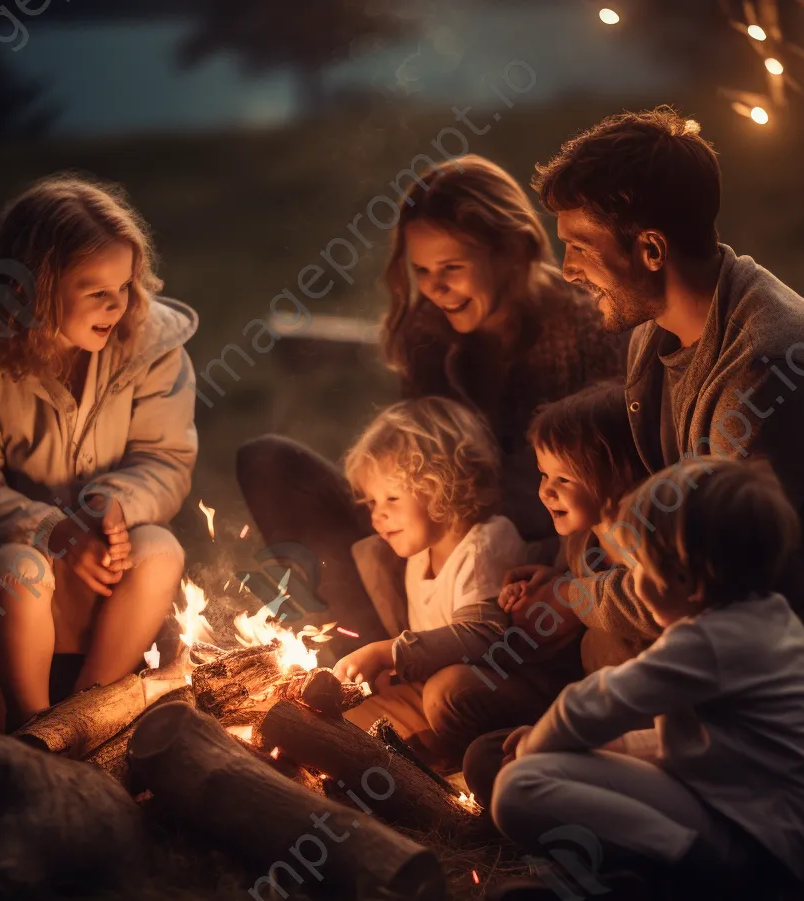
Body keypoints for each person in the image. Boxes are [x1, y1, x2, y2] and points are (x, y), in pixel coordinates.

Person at [529, 105, 804, 738]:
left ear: (650, 249)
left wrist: (574, 598)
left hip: (791, 685)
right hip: (698, 627)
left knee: (508, 761)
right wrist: (571, 572)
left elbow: (707, 576)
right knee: (522, 703)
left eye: (580, 248)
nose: (566, 269)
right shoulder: (654, 332)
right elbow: (661, 520)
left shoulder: (771, 366)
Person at [237, 154, 626, 657]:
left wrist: (556, 572)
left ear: (508, 254)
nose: (435, 288)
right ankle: (366, 651)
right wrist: (392, 500)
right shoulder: (428, 333)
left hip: (532, 559)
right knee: (268, 461)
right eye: (421, 271)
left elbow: (611, 478)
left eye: (452, 269)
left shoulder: (585, 328)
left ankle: (412, 654)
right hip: (431, 541)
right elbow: (415, 458)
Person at [491, 458, 804, 901]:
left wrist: (536, 745)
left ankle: (685, 877)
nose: (630, 581)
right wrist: (609, 747)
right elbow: (702, 746)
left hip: (777, 854)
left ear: (687, 581)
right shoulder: (764, 620)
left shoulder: (708, 641)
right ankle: (641, 880)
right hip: (788, 834)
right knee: (547, 773)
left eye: (638, 568)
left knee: (518, 788)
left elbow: (597, 703)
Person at [0, 174, 197, 729]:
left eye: (125, 286)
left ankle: (84, 721)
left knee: (161, 550)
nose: (116, 305)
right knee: (21, 570)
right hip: (4, 571)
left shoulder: (151, 345)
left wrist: (111, 507)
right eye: (95, 290)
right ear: (36, 287)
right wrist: (57, 531)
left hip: (104, 565)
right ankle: (32, 723)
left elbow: (164, 459)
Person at [464, 381, 653, 803]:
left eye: (563, 478)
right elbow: (578, 581)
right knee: (484, 758)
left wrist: (570, 595)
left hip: (644, 727)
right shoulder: (580, 540)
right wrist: (550, 581)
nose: (545, 490)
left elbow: (631, 603)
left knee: (519, 776)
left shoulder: (643, 543)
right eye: (543, 474)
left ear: (618, 474)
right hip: (590, 711)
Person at [334, 397, 531, 768]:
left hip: (502, 686)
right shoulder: (418, 557)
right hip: (432, 690)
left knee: (446, 693)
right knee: (344, 729)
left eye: (392, 496)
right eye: (372, 501)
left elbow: (484, 635)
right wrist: (394, 671)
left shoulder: (483, 544)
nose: (378, 514)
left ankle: (455, 764)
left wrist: (389, 653)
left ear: (443, 484)